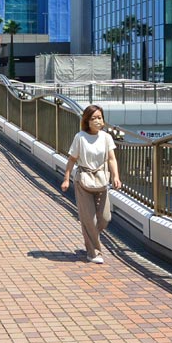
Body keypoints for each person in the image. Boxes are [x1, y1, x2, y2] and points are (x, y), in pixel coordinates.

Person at [61, 105, 122, 264]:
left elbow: (111, 159)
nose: (97, 121)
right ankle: (94, 253)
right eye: (93, 118)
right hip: (83, 180)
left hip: (101, 180)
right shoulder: (80, 137)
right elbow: (72, 159)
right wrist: (66, 178)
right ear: (86, 121)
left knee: (104, 218)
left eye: (99, 117)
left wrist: (116, 176)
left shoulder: (106, 137)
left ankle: (88, 234)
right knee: (90, 219)